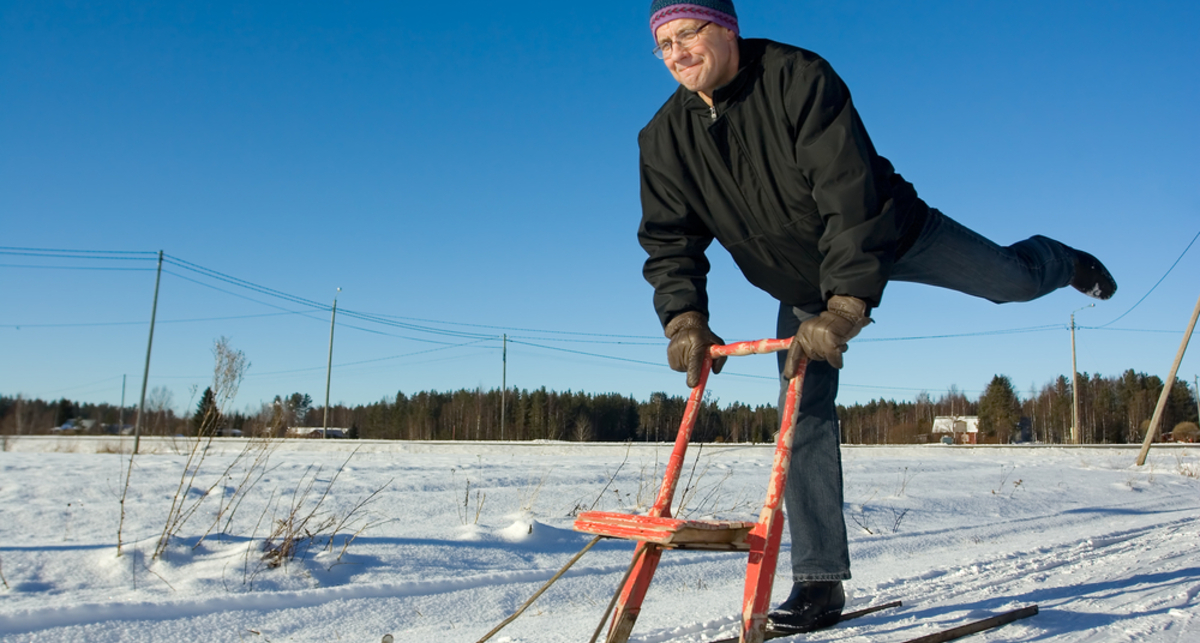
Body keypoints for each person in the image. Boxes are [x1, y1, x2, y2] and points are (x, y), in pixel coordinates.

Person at [637, 0, 1116, 634]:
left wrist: (847, 303)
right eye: (662, 44)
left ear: (725, 26)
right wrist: (684, 318)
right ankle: (818, 580)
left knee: (1014, 283)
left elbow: (847, 192)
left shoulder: (797, 78)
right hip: (801, 279)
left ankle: (1061, 260)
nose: (676, 53)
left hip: (888, 231)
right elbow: (670, 239)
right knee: (800, 411)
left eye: (687, 34)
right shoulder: (663, 137)